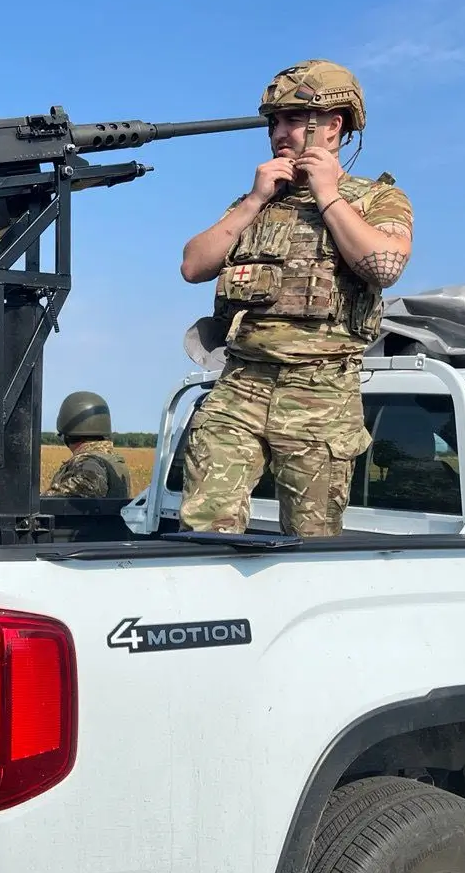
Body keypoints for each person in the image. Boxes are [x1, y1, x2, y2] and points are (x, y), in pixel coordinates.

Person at [176, 59, 413, 536]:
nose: (279, 132)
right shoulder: (259, 201)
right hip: (242, 382)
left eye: (292, 119)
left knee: (312, 535)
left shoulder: (376, 199)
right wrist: (253, 201)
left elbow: (383, 266)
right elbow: (193, 266)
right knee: (205, 527)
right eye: (273, 122)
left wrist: (328, 195)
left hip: (320, 391)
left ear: (334, 125)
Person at [45, 391, 132, 498]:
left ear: (68, 435)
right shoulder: (111, 459)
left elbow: (87, 486)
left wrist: (42, 500)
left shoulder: (89, 463)